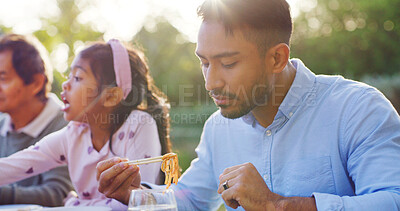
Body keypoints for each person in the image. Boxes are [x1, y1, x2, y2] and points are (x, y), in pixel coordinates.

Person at [96, 0, 400, 210]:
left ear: (277, 58)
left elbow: (393, 200)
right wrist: (134, 196)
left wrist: (276, 206)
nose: (210, 82)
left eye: (228, 63)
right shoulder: (218, 128)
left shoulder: (357, 109)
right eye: (203, 63)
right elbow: (190, 201)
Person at [0, 39, 172, 210]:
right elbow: (17, 165)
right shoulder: (73, 134)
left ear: (111, 96)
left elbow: (138, 200)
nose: (66, 84)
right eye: (69, 76)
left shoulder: (139, 125)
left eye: (77, 77)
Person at [0, 34, 73, 206]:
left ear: (35, 83)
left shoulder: (66, 127)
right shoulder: (2, 124)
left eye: (3, 78)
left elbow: (58, 194)